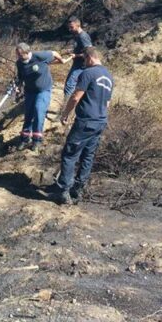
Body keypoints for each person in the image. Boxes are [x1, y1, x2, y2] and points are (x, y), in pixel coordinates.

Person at [54, 47, 113, 204]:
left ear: (89, 58)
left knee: (70, 154)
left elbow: (76, 96)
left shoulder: (88, 73)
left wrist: (66, 113)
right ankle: (78, 189)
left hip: (86, 120)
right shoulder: (108, 75)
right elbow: (107, 103)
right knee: (88, 156)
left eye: (85, 60)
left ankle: (64, 191)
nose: (84, 64)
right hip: (100, 121)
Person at [15, 43, 70, 151]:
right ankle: (25, 139)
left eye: (20, 55)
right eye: (17, 55)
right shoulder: (19, 63)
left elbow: (54, 53)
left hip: (43, 90)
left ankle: (37, 140)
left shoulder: (39, 56)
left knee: (39, 111)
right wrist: (18, 86)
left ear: (27, 53)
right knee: (28, 115)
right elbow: (20, 77)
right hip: (29, 92)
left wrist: (61, 60)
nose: (19, 57)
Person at [62, 16, 93, 102]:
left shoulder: (83, 36)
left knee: (69, 86)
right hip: (77, 64)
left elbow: (89, 52)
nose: (70, 29)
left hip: (81, 66)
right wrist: (71, 51)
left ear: (78, 25)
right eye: (69, 27)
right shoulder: (77, 35)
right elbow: (82, 49)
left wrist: (76, 55)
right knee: (75, 86)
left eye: (72, 27)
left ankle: (65, 109)